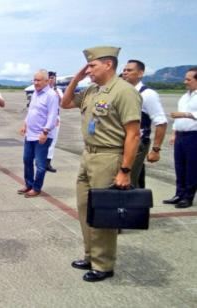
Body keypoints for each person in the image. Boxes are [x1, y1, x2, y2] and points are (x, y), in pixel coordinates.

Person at [61, 46, 141, 282]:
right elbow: (65, 103)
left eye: (92, 66)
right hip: (88, 156)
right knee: (85, 209)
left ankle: (104, 264)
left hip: (109, 157)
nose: (89, 70)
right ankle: (90, 255)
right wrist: (76, 79)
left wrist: (125, 170)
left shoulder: (124, 92)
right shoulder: (92, 91)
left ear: (108, 64)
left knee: (103, 214)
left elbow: (133, 134)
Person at [121, 60, 167, 188]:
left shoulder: (147, 94)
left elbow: (161, 122)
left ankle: (132, 207)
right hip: (123, 143)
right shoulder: (124, 92)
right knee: (134, 179)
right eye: (124, 70)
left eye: (129, 70)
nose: (125, 73)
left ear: (140, 73)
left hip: (138, 143)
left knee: (128, 181)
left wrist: (156, 149)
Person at [18, 70, 59, 198]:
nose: (35, 82)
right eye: (34, 80)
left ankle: (36, 188)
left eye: (39, 80)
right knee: (27, 160)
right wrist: (25, 124)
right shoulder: (35, 93)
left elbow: (53, 115)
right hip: (30, 134)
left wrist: (45, 132)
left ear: (47, 81)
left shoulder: (51, 95)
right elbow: (31, 111)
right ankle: (29, 184)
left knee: (40, 165)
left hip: (42, 135)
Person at [164, 67, 197, 208]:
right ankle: (179, 194)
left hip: (194, 136)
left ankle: (188, 197)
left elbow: (184, 115)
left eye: (188, 79)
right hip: (181, 135)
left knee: (192, 167)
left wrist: (186, 115)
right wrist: (174, 133)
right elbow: (177, 118)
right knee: (179, 166)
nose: (185, 82)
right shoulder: (184, 96)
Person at [46, 71, 63, 173]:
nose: (52, 80)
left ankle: (48, 162)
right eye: (50, 77)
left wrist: (58, 96)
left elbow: (63, 103)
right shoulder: (43, 91)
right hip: (44, 118)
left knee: (53, 141)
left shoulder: (58, 90)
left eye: (53, 78)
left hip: (56, 117)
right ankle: (41, 162)